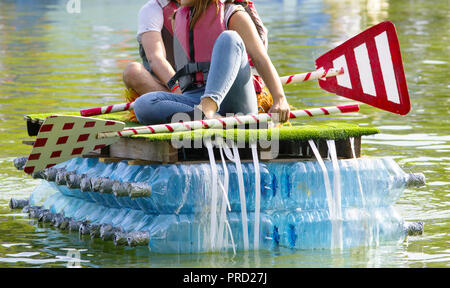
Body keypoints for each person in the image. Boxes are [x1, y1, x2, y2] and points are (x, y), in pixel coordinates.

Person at [134, 0, 291, 124]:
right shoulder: (179, 18)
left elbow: (261, 59)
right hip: (197, 98)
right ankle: (213, 120)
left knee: (229, 38)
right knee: (143, 104)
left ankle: (208, 110)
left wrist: (280, 99)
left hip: (235, 100)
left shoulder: (233, 14)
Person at [122, 0, 181, 96]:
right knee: (132, 72)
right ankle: (179, 101)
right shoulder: (151, 10)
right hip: (166, 85)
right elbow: (156, 58)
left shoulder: (205, 6)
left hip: (199, 82)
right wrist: (178, 90)